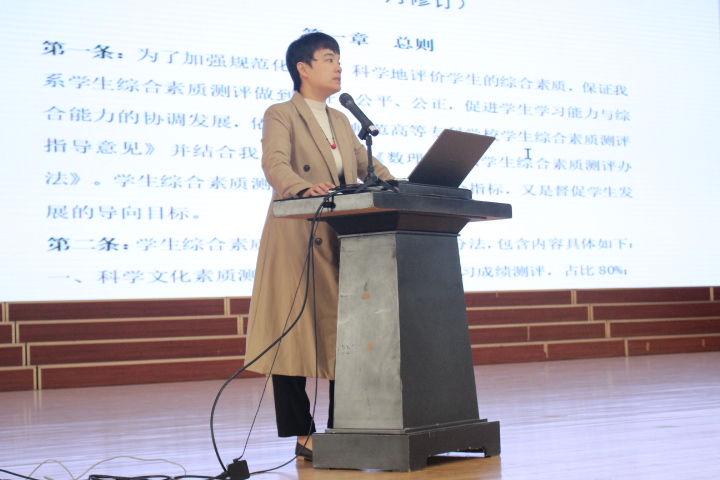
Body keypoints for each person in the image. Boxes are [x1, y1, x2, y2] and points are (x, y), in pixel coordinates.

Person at [244, 32, 394, 460]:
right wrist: (301, 187)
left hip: (341, 236)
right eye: (329, 59)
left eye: (339, 59)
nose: (339, 66)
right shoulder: (281, 113)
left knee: (344, 332)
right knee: (289, 334)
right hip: (296, 234)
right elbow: (274, 163)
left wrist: (400, 185)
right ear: (303, 68)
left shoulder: (342, 120)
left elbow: (367, 167)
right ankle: (302, 432)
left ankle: (343, 426)